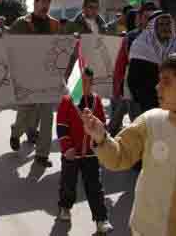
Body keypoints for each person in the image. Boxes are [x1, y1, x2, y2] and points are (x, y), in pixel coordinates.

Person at [82, 53, 176, 236]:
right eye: (159, 80)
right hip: (146, 228)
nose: (157, 87)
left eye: (166, 81)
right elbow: (119, 156)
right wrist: (101, 137)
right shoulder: (151, 121)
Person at [56, 67, 113, 234]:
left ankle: (101, 219)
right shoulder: (67, 101)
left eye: (89, 82)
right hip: (71, 154)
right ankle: (65, 206)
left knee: (94, 186)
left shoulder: (96, 101)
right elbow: (61, 127)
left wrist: (99, 138)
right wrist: (67, 148)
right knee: (68, 184)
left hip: (90, 153)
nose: (86, 85)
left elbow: (102, 124)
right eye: (82, 82)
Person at [8, 0, 59, 167]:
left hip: (47, 77)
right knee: (26, 110)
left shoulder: (54, 24)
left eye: (48, 4)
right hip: (26, 75)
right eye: (42, 3)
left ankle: (41, 155)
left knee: (47, 116)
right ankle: (16, 132)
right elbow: (8, 45)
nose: (45, 7)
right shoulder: (21, 23)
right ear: (35, 3)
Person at [128, 13, 176, 114]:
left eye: (168, 24)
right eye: (161, 24)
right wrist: (143, 99)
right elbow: (133, 79)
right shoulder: (140, 46)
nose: (165, 28)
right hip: (149, 102)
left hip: (173, 101)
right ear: (153, 28)